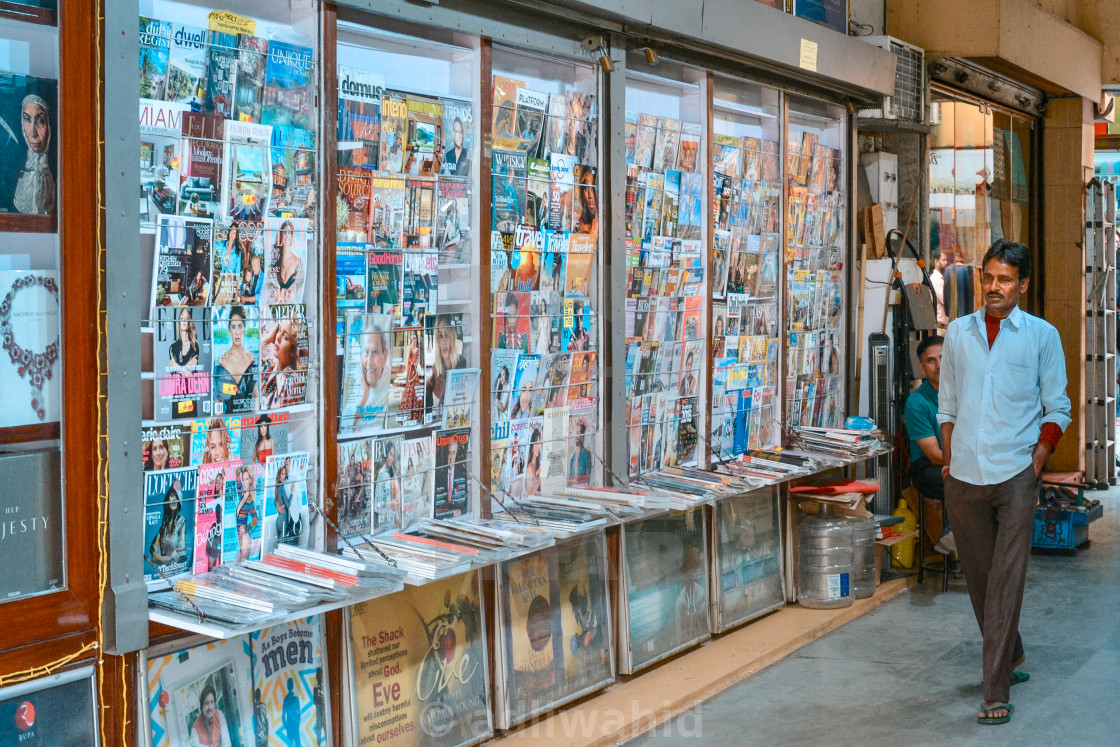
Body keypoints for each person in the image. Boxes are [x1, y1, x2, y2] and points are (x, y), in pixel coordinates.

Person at [938, 240, 1071, 726]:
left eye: (1006, 280)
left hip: (1016, 475)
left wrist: (1037, 459)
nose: (994, 288)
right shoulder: (958, 333)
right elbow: (946, 404)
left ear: (1023, 285)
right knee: (978, 581)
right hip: (964, 477)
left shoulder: (1041, 336)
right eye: (989, 277)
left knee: (1005, 584)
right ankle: (1010, 652)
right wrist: (950, 459)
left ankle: (995, 690)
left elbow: (1058, 406)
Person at [903, 335, 955, 552]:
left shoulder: (966, 393)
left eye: (944, 358)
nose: (940, 365)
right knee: (957, 480)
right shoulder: (917, 402)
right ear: (922, 369)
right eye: (931, 361)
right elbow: (934, 455)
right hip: (928, 467)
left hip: (964, 460)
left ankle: (956, 536)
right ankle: (954, 535)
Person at [13, 93, 55, 215]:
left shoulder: (59, 169)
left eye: (41, 120)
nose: (33, 133)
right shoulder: (14, 166)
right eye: (27, 119)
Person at [215, 306, 258, 414]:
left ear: (244, 328)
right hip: (228, 420)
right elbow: (219, 399)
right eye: (233, 327)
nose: (237, 332)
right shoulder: (222, 361)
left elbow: (256, 396)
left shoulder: (252, 359)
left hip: (249, 420)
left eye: (240, 326)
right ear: (229, 329)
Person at [260, 315, 306, 409]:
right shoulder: (269, 367)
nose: (278, 338)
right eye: (279, 330)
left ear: (294, 350)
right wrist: (266, 339)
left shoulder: (294, 380)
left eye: (285, 337)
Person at [426, 314, 466, 409]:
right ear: (437, 341)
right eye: (440, 336)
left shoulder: (461, 363)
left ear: (452, 337)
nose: (444, 341)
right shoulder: (436, 368)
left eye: (447, 335)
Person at [355, 317, 391, 424]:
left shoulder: (388, 385)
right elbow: (348, 428)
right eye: (366, 352)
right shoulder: (358, 382)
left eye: (375, 352)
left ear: (384, 356)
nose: (369, 362)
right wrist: (364, 396)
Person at [148, 479, 186, 570]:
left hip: (175, 569)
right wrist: (168, 558)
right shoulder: (165, 523)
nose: (173, 500)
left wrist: (160, 559)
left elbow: (181, 554)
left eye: (176, 497)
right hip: (163, 571)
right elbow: (153, 553)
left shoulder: (181, 521)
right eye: (171, 496)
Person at [267, 219, 304, 304]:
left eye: (289, 233)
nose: (287, 236)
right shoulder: (274, 262)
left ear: (292, 236)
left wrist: (291, 295)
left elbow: (300, 291)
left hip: (290, 311)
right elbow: (267, 289)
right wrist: (275, 295)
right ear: (281, 236)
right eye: (285, 232)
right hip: (275, 309)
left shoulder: (298, 262)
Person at [236, 465, 258, 562]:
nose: (244, 482)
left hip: (244, 539)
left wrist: (247, 528)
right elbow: (237, 474)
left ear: (250, 481)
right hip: (239, 538)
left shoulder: (250, 502)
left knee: (241, 569)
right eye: (243, 479)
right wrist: (242, 468)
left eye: (246, 479)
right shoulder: (241, 493)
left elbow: (256, 520)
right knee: (235, 568)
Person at [168, 308, 199, 372]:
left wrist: (176, 366)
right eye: (182, 319)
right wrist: (188, 366)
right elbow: (174, 374)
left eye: (186, 318)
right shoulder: (173, 347)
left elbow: (191, 374)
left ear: (189, 322)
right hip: (176, 382)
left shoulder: (195, 346)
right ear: (179, 322)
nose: (184, 321)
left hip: (192, 382)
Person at [930, 250, 952, 328]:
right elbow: (946, 300)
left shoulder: (942, 278)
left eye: (946, 260)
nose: (946, 263)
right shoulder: (935, 279)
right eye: (943, 260)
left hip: (945, 325)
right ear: (936, 261)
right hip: (940, 326)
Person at [569, 420, 591, 485]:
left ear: (582, 436)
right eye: (576, 433)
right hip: (572, 490)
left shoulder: (586, 455)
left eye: (579, 433)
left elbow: (587, 479)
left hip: (581, 490)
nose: (577, 436)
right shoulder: (573, 458)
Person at [281, 677, 301, 747]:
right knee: (297, 744)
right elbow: (299, 714)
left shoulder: (286, 700)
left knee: (291, 744)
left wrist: (287, 727)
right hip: (294, 725)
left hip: (290, 725)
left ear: (288, 686)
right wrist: (297, 723)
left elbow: (283, 717)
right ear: (292, 686)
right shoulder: (295, 698)